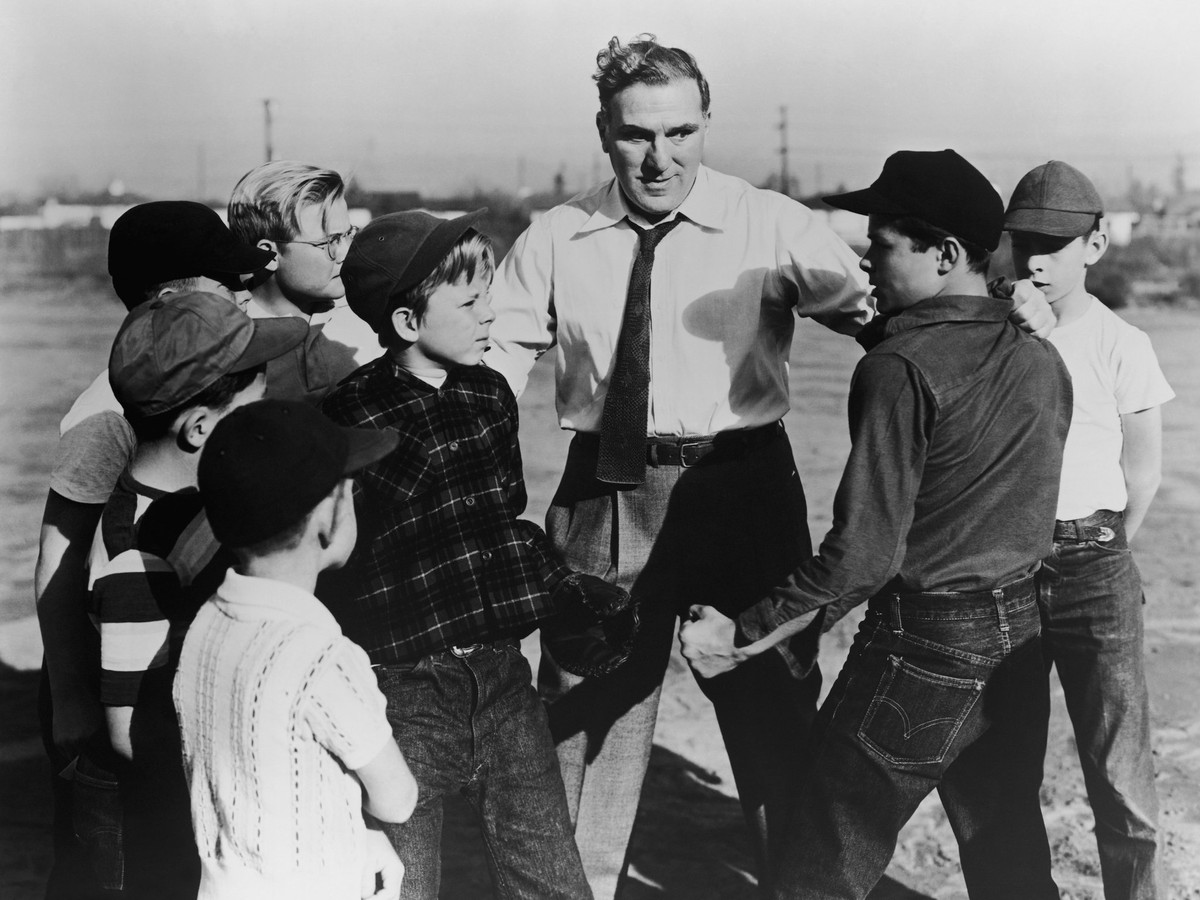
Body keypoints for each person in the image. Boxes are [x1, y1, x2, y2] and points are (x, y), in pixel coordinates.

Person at [484, 35, 1055, 898]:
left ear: (706, 123)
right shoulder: (555, 237)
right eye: (637, 134)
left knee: (777, 706)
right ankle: (577, 886)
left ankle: (794, 880)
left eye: (681, 132)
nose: (659, 156)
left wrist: (1016, 311)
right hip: (605, 490)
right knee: (583, 703)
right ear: (603, 129)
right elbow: (490, 373)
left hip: (744, 487)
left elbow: (899, 315)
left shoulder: (771, 222)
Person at [682, 149, 1071, 899]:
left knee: (818, 862)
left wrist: (740, 635)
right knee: (1012, 858)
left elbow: (861, 555)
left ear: (946, 253)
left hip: (921, 647)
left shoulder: (897, 369)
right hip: (1020, 636)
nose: (866, 255)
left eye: (885, 238)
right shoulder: (1040, 358)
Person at [321, 210, 634, 899]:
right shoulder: (349, 417)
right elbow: (332, 562)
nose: (492, 314)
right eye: (470, 302)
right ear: (406, 323)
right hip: (400, 689)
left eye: (490, 296)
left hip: (500, 677)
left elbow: (498, 525)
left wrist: (563, 588)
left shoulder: (490, 395)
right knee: (401, 881)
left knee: (548, 870)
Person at [33, 201, 276, 899]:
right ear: (170, 293)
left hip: (147, 651)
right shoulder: (104, 414)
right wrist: (73, 696)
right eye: (225, 285)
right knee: (103, 862)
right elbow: (59, 558)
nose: (239, 295)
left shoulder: (192, 383)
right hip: (102, 661)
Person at [88, 292, 307, 898]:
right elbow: (126, 731)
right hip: (181, 820)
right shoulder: (136, 554)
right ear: (202, 427)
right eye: (253, 409)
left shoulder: (193, 504)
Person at [1005, 160, 1174, 900]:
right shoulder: (998, 333)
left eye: (1058, 243)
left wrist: (1105, 550)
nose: (1037, 259)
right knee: (1004, 771)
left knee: (1120, 776)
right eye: (1025, 242)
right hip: (1004, 568)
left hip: (1094, 563)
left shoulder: (1122, 343)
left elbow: (1145, 477)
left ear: (1096, 244)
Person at [177, 399, 418, 900]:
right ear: (326, 521)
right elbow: (397, 800)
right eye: (351, 490)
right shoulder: (322, 657)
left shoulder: (206, 624)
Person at [228, 160, 382, 403]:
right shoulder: (229, 341)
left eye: (347, 235)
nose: (345, 254)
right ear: (269, 254)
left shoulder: (370, 316)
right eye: (328, 242)